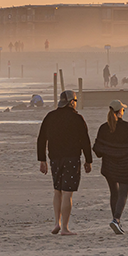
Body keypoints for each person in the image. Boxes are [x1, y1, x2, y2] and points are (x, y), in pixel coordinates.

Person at [37, 90, 92, 236]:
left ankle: (57, 222)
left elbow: (41, 139)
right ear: (71, 102)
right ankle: (65, 228)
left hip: (55, 159)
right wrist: (88, 160)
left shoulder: (50, 116)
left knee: (57, 190)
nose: (75, 104)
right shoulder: (77, 118)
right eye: (75, 101)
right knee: (68, 193)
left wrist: (42, 160)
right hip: (72, 158)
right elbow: (85, 141)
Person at [92, 100, 128, 235]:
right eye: (123, 110)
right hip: (126, 166)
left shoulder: (104, 128)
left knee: (114, 193)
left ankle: (116, 221)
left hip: (109, 166)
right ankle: (116, 219)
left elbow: (97, 151)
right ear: (120, 111)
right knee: (123, 193)